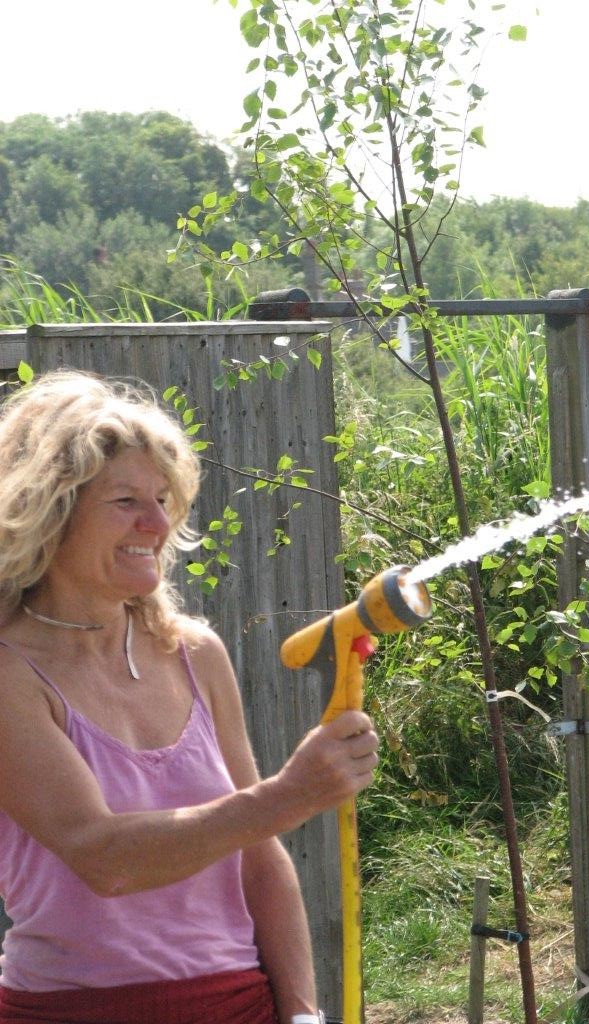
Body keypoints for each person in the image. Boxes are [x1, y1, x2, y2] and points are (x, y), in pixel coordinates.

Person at [0, 369, 379, 1024]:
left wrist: (303, 1013)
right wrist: (289, 795)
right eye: (125, 501)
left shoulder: (194, 654)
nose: (158, 522)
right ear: (50, 512)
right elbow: (103, 858)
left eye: (163, 498)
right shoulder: (12, 672)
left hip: (240, 1005)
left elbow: (261, 859)